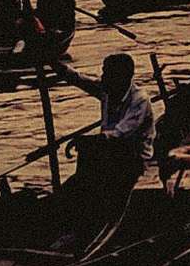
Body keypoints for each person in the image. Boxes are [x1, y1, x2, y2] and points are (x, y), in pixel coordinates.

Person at [50, 54, 154, 189]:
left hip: (135, 158)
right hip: (111, 152)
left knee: (91, 146)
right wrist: (51, 61)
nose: (103, 77)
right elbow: (77, 79)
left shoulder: (139, 99)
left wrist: (86, 140)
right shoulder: (107, 90)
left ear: (123, 78)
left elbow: (120, 134)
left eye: (108, 74)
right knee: (87, 158)